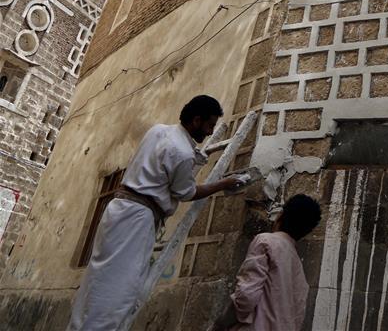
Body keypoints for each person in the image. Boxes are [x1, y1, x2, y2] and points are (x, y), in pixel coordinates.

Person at [68, 95, 242, 331]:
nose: (211, 132)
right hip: (137, 218)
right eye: (209, 125)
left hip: (119, 209)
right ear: (196, 120)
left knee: (98, 277)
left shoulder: (158, 131)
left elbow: (164, 165)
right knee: (119, 288)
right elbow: (187, 192)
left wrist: (195, 159)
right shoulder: (182, 153)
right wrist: (223, 183)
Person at [213, 194, 322, 331]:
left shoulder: (266, 242)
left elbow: (246, 297)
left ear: (280, 215)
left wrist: (220, 325)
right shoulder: (299, 273)